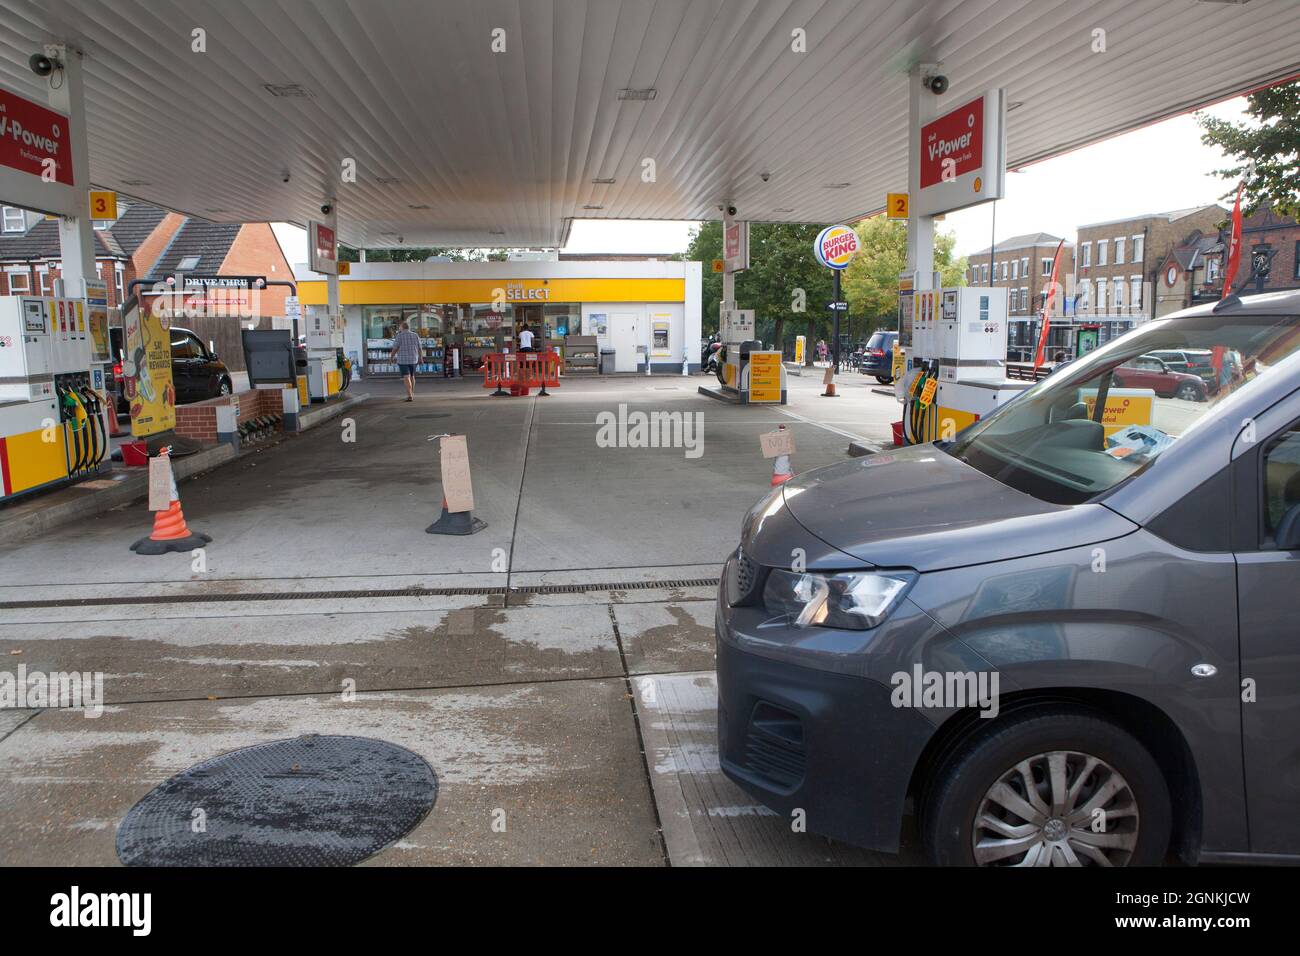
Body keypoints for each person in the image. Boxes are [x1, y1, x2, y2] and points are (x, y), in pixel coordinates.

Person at [389, 321, 422, 402]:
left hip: (403, 360)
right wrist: (421, 357)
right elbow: (420, 347)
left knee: (406, 376)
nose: (399, 328)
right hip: (413, 359)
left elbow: (395, 348)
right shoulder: (415, 335)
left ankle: (410, 395)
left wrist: (391, 357)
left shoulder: (399, 336)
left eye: (400, 327)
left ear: (402, 327)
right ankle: (411, 392)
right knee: (412, 376)